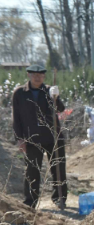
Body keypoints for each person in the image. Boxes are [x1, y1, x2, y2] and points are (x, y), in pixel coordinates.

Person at [11, 64, 68, 210]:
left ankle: (59, 199)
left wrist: (55, 97)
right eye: (34, 75)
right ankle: (30, 201)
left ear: (44, 76)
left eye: (41, 75)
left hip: (53, 136)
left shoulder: (49, 90)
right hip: (32, 138)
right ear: (29, 75)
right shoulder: (19, 93)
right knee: (32, 170)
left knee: (58, 168)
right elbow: (16, 118)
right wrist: (20, 139)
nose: (38, 77)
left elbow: (60, 110)